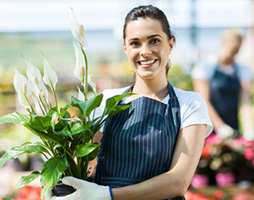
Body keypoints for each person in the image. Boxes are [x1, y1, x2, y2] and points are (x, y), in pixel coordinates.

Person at [48, 5, 212, 200]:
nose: (145, 51)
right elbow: (88, 167)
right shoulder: (106, 101)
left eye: (154, 41)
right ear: (125, 48)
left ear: (170, 44)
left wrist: (109, 195)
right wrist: (58, 179)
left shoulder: (189, 104)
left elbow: (178, 182)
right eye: (135, 43)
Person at [191, 28, 254, 140]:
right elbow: (203, 101)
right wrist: (220, 127)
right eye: (232, 49)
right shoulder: (205, 67)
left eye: (237, 51)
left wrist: (249, 129)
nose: (233, 54)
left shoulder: (242, 70)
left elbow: (245, 102)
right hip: (209, 130)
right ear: (223, 43)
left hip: (233, 127)